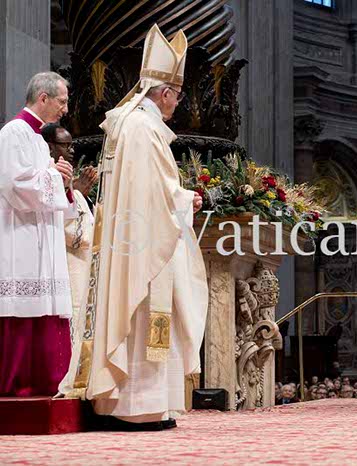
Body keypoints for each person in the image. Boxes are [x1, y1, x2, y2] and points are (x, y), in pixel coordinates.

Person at [85, 24, 208, 430]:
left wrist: (178, 197)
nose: (178, 103)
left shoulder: (133, 123)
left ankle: (152, 405)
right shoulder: (143, 127)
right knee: (143, 316)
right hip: (141, 242)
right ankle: (135, 407)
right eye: (178, 95)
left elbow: (146, 186)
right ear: (165, 93)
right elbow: (151, 192)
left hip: (135, 238)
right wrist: (184, 199)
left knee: (150, 319)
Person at [0, 72, 76, 396]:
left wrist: (65, 183)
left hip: (42, 236)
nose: (65, 109)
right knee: (23, 308)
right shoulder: (13, 133)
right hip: (20, 237)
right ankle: (18, 385)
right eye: (62, 101)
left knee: (46, 307)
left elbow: (48, 187)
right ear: (43, 98)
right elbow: (15, 185)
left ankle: (48, 382)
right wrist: (55, 177)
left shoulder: (37, 138)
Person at [41, 124, 99, 397]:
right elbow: (76, 237)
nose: (72, 150)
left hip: (81, 265)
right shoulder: (49, 178)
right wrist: (77, 193)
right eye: (66, 145)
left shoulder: (67, 180)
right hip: (67, 264)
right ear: (50, 147)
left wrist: (78, 193)